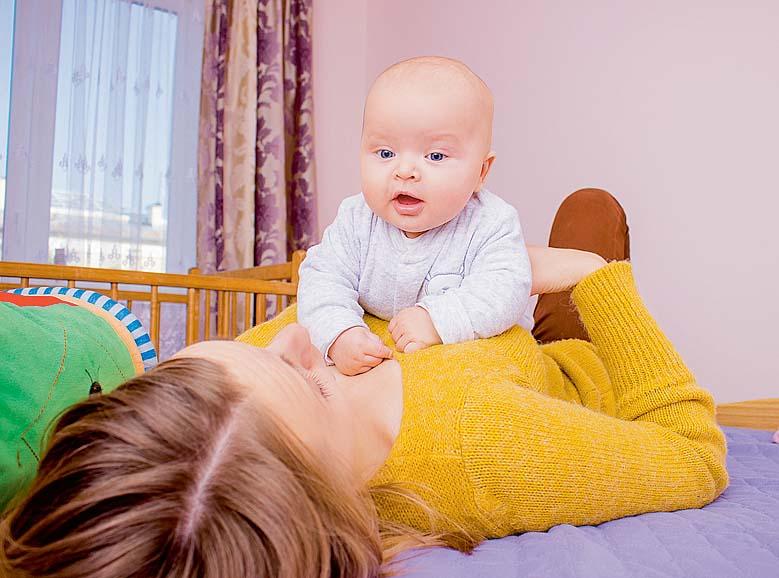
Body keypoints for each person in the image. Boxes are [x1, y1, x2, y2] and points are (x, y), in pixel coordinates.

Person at [0, 190, 728, 578]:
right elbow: (695, 456)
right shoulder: (486, 448)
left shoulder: (241, 403)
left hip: (465, 320)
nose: (295, 337)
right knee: (582, 266)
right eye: (313, 383)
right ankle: (560, 316)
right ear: (331, 512)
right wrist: (597, 282)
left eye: (215, 353)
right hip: (557, 376)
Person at [298, 56, 534, 375]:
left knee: (499, 375)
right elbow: (323, 279)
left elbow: (504, 290)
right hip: (389, 354)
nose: (405, 171)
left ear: (481, 172)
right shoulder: (356, 219)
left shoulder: (491, 223)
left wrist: (436, 320)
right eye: (386, 153)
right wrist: (340, 333)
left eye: (435, 156)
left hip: (474, 351)